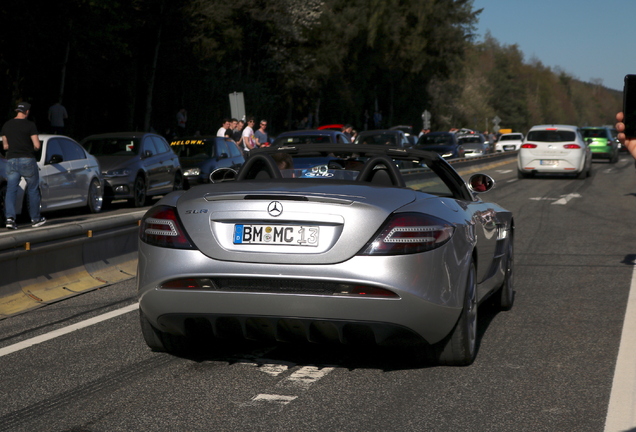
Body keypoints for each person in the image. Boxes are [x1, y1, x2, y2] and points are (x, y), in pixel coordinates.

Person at [2, 102, 46, 229]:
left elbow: (5, 146)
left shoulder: (6, 125)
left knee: (11, 190)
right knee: (32, 189)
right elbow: (37, 145)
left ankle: (10, 219)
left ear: (17, 111)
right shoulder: (30, 125)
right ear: (27, 112)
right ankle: (35, 219)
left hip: (11, 161)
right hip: (27, 160)